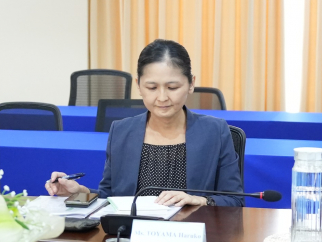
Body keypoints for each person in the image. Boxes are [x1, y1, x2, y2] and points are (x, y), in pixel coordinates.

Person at [46, 39, 244, 206]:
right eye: (152, 87)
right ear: (138, 86)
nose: (162, 97)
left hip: (191, 233)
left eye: (172, 87)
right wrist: (79, 192)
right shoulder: (122, 131)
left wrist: (198, 200)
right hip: (132, 234)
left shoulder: (215, 131)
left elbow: (235, 201)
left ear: (191, 84)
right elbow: (110, 198)